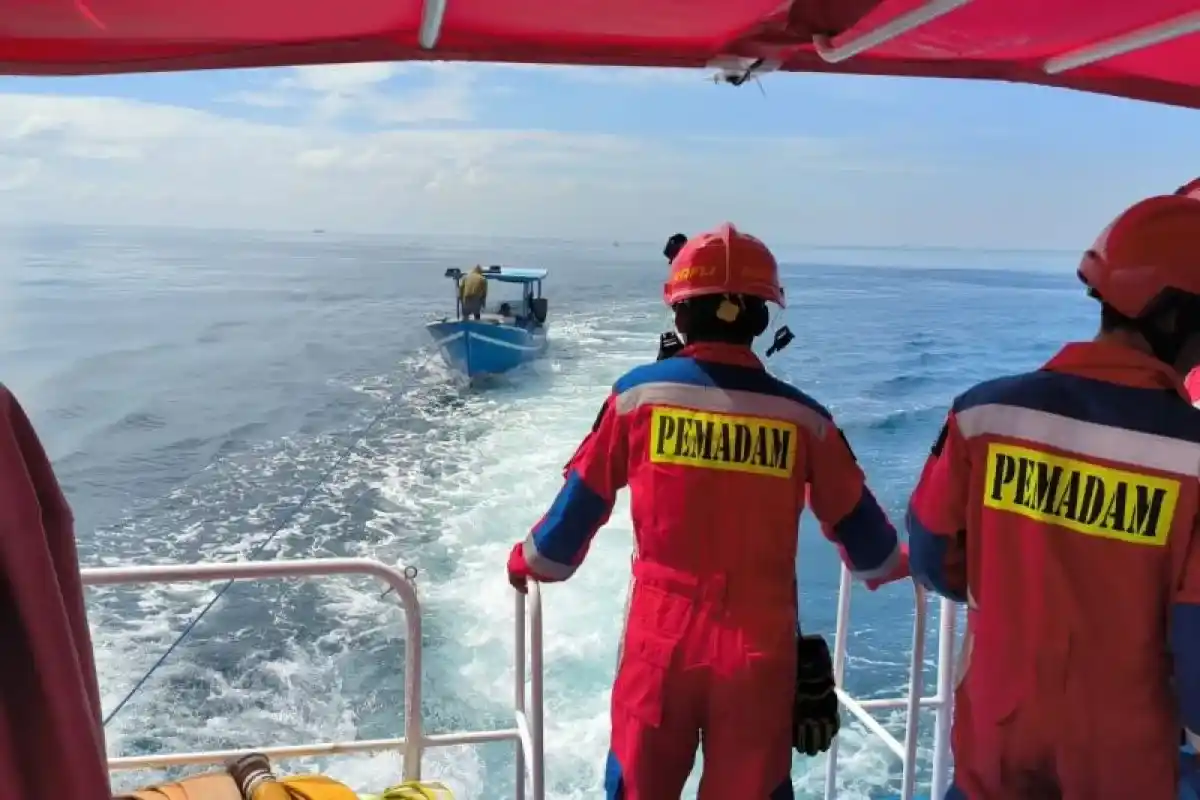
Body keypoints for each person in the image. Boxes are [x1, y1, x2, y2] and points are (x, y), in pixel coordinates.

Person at [506, 223, 910, 799]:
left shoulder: (635, 399)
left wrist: (526, 562)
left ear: (679, 314)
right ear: (762, 319)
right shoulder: (806, 421)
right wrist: (918, 562)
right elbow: (875, 555)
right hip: (759, 656)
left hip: (658, 647)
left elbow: (564, 534)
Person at [907, 185, 1200, 800]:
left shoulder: (983, 414)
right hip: (1121, 755)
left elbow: (933, 556)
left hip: (997, 729)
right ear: (1176, 318)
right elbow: (1194, 643)